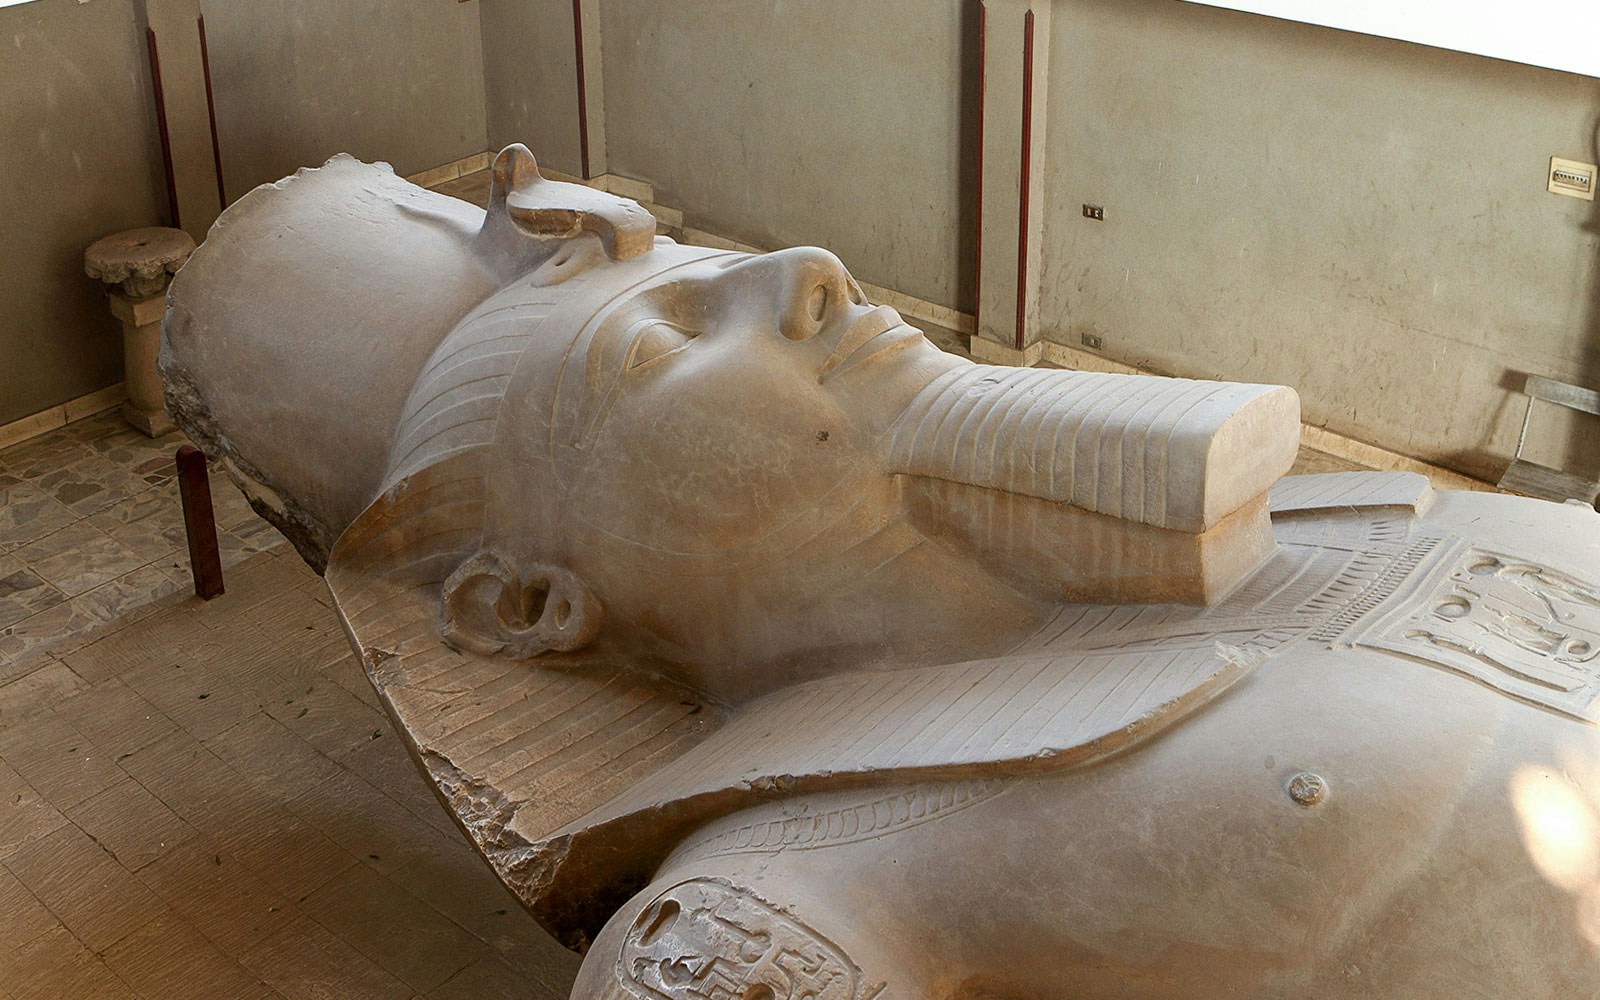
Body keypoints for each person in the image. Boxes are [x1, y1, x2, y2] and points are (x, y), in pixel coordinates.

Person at [164, 145, 1600, 999]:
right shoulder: (776, 914)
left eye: (719, 259)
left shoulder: (1319, 523)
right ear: (526, 599)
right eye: (655, 342)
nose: (811, 269)